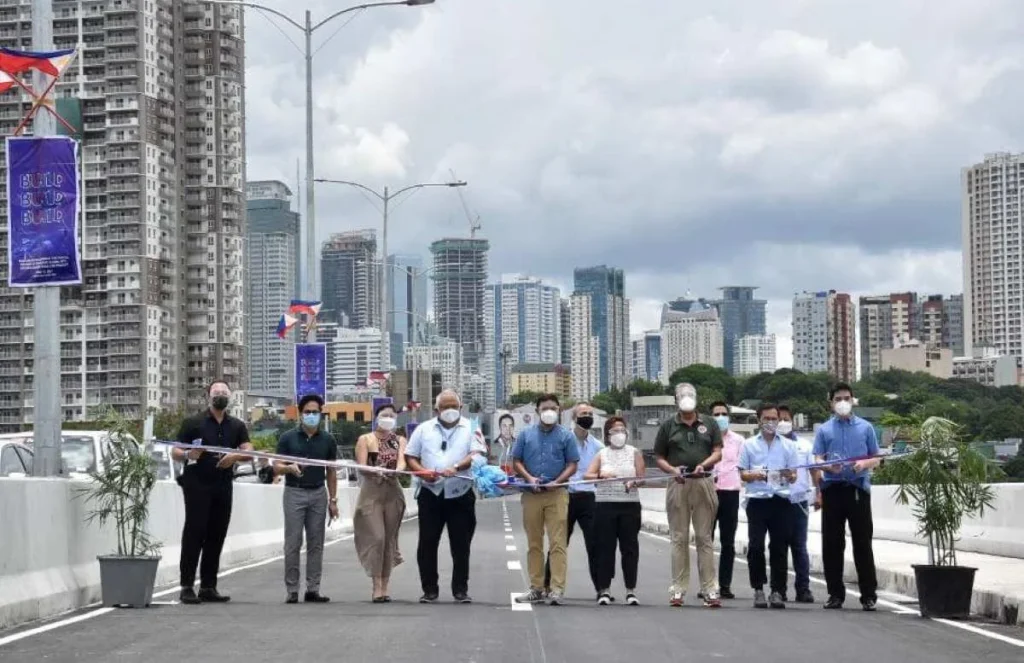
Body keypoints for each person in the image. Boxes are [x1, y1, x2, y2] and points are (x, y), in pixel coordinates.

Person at [172, 380, 253, 605]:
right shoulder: (193, 423)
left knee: (217, 534)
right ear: (208, 395)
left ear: (230, 396)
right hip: (197, 485)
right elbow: (175, 450)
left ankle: (208, 585)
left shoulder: (236, 425)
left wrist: (234, 457)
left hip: (223, 485)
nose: (220, 395)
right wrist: (189, 455)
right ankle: (187, 586)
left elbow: (249, 451)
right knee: (194, 533)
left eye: (224, 392)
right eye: (216, 392)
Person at [405, 389, 486, 604]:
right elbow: (410, 456)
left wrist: (457, 467)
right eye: (445, 407)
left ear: (461, 408)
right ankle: (429, 589)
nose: (449, 410)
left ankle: (460, 589)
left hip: (460, 493)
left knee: (461, 545)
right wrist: (421, 471)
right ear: (436, 409)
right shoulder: (423, 429)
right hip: (431, 493)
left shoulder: (472, 427)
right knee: (427, 543)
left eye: (454, 406)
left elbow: (477, 455)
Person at [654, 382, 723, 608]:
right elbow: (660, 457)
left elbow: (717, 452)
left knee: (705, 538)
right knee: (679, 538)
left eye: (690, 393)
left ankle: (709, 588)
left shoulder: (709, 423)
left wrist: (704, 464)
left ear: (696, 397)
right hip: (678, 483)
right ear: (675, 399)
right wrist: (672, 470)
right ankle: (678, 588)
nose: (686, 397)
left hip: (703, 481)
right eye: (681, 394)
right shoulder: (668, 426)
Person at [814, 383, 881, 611]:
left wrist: (864, 464)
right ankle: (835, 594)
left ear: (853, 400)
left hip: (858, 489)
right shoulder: (823, 430)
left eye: (846, 398)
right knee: (832, 543)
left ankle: (869, 595)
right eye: (838, 398)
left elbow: (877, 457)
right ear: (831, 402)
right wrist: (828, 467)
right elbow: (817, 458)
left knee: (863, 542)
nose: (842, 402)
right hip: (833, 489)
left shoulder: (866, 428)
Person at [512, 393, 579, 606]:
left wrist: (557, 481)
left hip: (557, 493)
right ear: (537, 412)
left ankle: (557, 588)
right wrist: (529, 478)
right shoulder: (525, 435)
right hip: (532, 494)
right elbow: (516, 461)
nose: (549, 412)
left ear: (559, 411)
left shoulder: (566, 436)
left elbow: (572, 464)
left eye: (553, 408)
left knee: (558, 542)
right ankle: (536, 587)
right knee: (534, 543)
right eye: (544, 408)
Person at [274, 394, 338, 604]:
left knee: (316, 543)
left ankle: (313, 589)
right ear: (301, 415)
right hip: (294, 492)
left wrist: (333, 500)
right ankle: (292, 589)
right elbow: (276, 466)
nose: (312, 415)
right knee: (292, 543)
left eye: (315, 412)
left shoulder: (328, 440)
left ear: (321, 414)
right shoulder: (288, 438)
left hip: (318, 493)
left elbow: (331, 471)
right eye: (308, 412)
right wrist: (288, 468)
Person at [738, 403, 798, 609]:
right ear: (759, 420)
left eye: (775, 419)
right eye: (767, 418)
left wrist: (787, 474)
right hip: (757, 500)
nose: (771, 422)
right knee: (756, 546)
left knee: (779, 547)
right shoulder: (748, 445)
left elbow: (794, 475)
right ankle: (758, 589)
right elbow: (743, 474)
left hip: (780, 500)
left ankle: (777, 590)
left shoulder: (789, 446)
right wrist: (757, 474)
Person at [543, 402, 602, 599]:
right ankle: (547, 585)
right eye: (583, 413)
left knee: (595, 543)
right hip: (565, 495)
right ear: (574, 418)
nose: (587, 416)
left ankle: (601, 588)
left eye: (590, 413)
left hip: (588, 497)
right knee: (558, 543)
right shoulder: (563, 440)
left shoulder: (597, 446)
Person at [586, 416, 644, 605]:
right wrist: (601, 474)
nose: (619, 434)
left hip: (629, 505)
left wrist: (634, 482)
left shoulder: (634, 452)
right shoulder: (602, 454)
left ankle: (631, 590)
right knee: (605, 548)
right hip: (605, 505)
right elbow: (588, 475)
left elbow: (641, 477)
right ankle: (604, 590)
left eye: (622, 430)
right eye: (614, 431)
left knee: (630, 548)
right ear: (607, 435)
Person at [353, 403, 407, 602]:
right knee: (377, 537)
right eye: (384, 415)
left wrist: (397, 471)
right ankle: (375, 585)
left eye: (392, 415)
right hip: (372, 491)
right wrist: (375, 470)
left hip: (393, 491)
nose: (388, 418)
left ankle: (385, 586)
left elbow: (402, 461)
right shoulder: (365, 439)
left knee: (389, 540)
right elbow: (361, 465)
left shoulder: (399, 440)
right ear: (376, 417)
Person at [778, 404, 816, 603]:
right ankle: (780, 589)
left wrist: (819, 494)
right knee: (779, 547)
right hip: (776, 501)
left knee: (799, 547)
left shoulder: (805, 445)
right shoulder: (770, 446)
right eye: (779, 419)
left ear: (793, 421)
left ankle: (803, 588)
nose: (783, 423)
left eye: (786, 419)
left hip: (799, 501)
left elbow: (814, 470)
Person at [709, 401, 743, 600]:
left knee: (728, 541)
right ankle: (708, 582)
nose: (720, 417)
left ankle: (725, 584)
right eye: (716, 414)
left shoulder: (739, 441)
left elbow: (744, 466)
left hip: (730, 492)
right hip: (709, 492)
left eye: (723, 413)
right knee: (706, 540)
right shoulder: (705, 440)